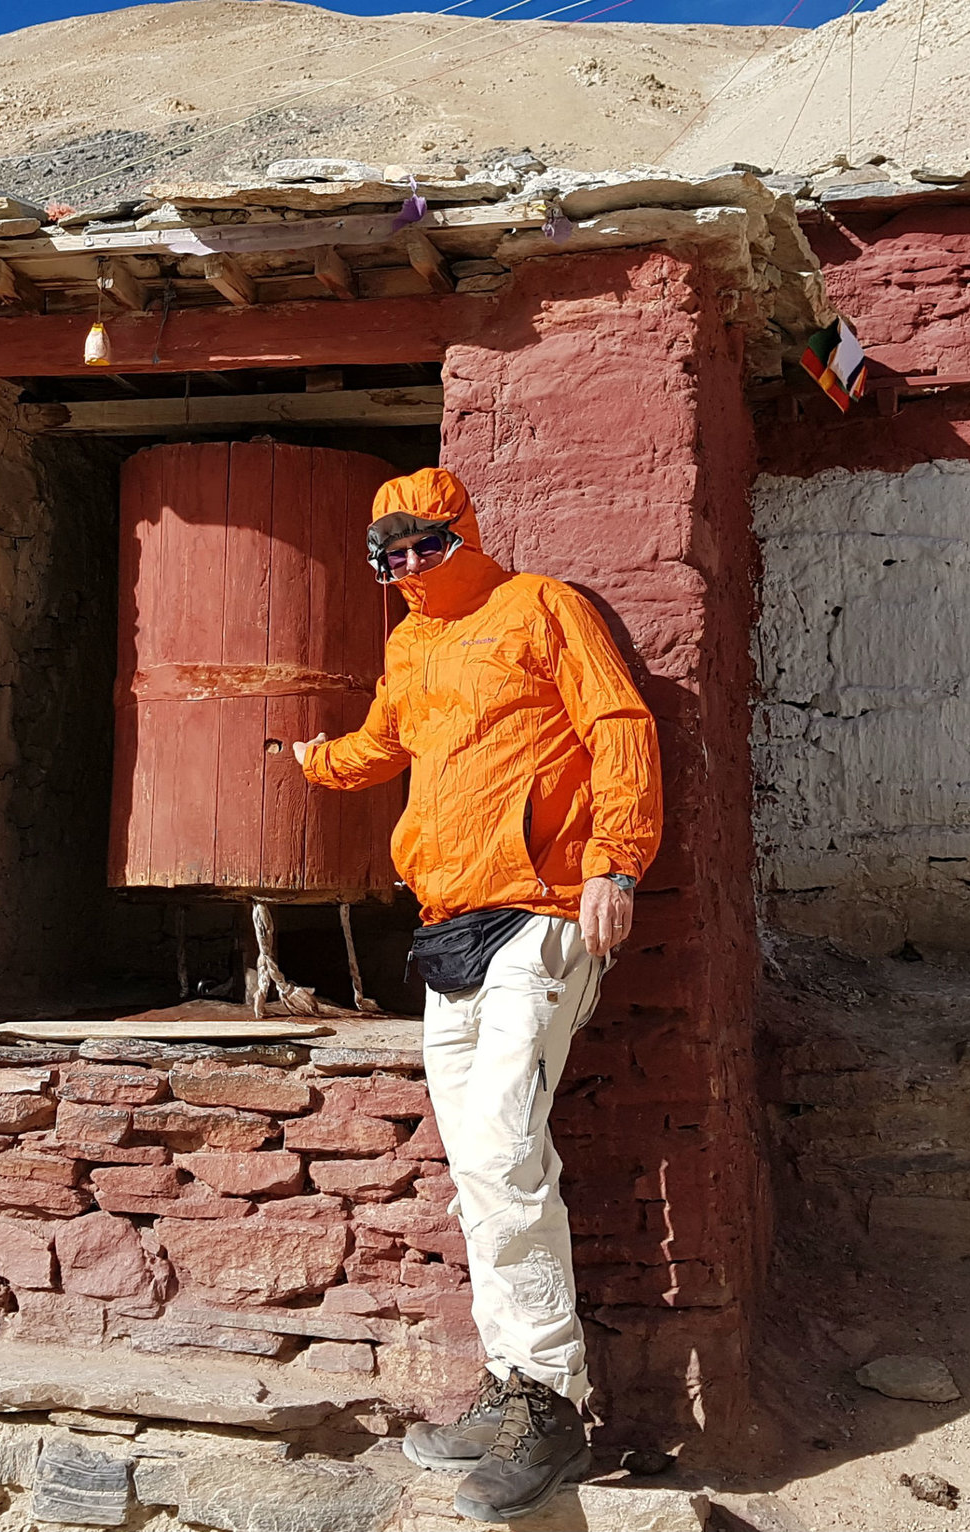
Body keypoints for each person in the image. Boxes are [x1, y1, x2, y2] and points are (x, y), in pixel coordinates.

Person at [293, 466, 661, 1522]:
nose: (406, 565)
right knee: (480, 1167)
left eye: (423, 543)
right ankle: (512, 1385)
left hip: (543, 913)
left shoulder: (541, 606)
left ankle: (552, 1405)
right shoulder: (410, 644)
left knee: (503, 1149)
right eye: (388, 553)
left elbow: (620, 725)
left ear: (463, 531)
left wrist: (614, 860)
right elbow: (382, 744)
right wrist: (316, 760)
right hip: (447, 930)